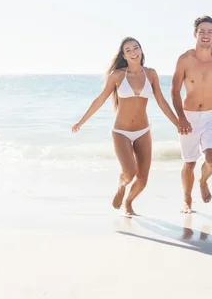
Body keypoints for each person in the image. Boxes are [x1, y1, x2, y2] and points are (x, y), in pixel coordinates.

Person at [72, 37, 179, 216]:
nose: (133, 52)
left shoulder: (151, 74)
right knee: (129, 173)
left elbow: (161, 101)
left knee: (143, 179)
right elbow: (100, 99)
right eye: (128, 50)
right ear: (124, 55)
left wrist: (177, 123)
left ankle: (128, 203)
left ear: (141, 50)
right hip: (121, 132)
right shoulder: (118, 76)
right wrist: (81, 121)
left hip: (143, 131)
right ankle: (121, 186)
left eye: (135, 48)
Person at [171, 15, 212, 214]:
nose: (205, 35)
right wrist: (180, 118)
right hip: (189, 116)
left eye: (209, 31)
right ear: (195, 34)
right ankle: (187, 200)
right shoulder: (184, 59)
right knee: (189, 162)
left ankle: (203, 180)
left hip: (211, 115)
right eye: (202, 31)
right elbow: (174, 91)